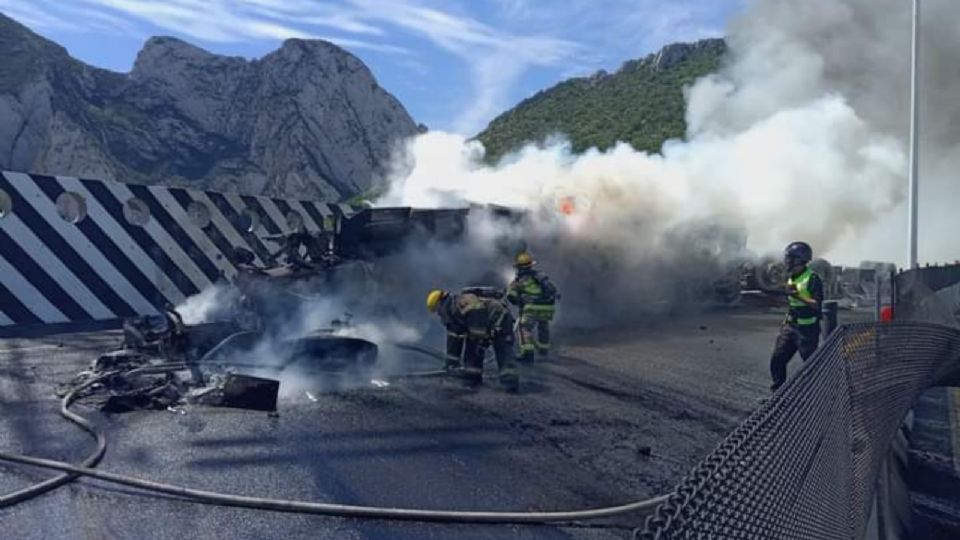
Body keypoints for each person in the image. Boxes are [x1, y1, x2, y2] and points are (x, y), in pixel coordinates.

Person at [426, 289, 519, 391]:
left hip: (500, 321)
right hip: (483, 326)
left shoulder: (464, 303)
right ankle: (472, 379)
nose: (438, 314)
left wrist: (481, 341)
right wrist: (451, 363)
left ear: (441, 303)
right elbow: (454, 341)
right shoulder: (453, 313)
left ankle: (510, 383)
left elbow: (478, 320)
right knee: (472, 349)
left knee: (503, 351)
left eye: (437, 310)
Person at [769, 241, 824, 392]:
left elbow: (816, 304)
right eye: (787, 258)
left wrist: (796, 295)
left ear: (800, 259)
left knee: (810, 365)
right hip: (790, 327)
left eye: (790, 258)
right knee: (777, 360)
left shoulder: (812, 278)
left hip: (807, 330)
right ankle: (777, 393)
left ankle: (816, 396)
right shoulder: (791, 277)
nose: (787, 261)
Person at [506, 252, 558, 363]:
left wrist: (518, 301)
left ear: (519, 267)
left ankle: (527, 354)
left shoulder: (518, 281)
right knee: (543, 327)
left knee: (524, 328)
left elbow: (511, 296)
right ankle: (543, 350)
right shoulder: (540, 276)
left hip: (531, 307)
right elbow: (551, 289)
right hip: (548, 307)